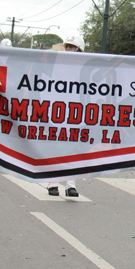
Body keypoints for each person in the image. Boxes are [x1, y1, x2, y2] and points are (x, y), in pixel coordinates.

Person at [46, 36, 83, 198]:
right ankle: (53, 183)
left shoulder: (85, 69)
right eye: (68, 46)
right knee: (55, 147)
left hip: (77, 114)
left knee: (73, 149)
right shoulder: (57, 66)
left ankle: (71, 184)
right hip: (58, 112)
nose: (69, 50)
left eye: (73, 47)